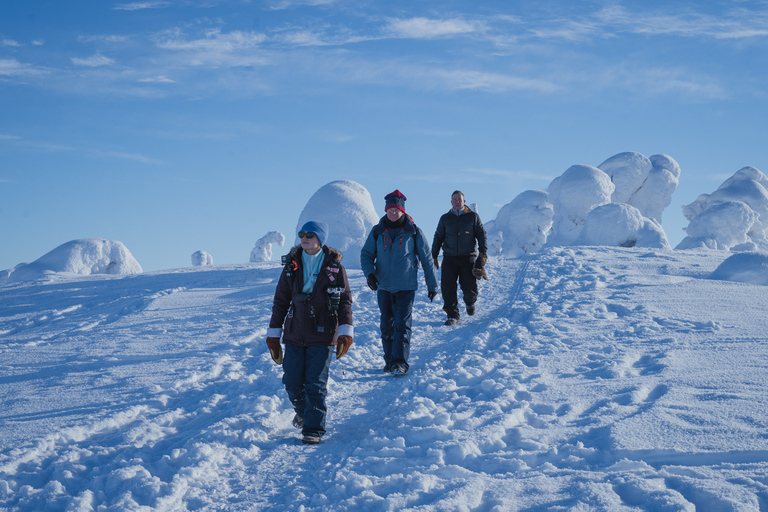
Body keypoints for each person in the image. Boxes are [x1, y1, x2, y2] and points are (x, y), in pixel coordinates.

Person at [266, 220, 354, 445]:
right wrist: (274, 335)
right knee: (292, 381)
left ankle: (313, 429)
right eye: (302, 234)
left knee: (315, 383)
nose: (304, 238)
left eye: (310, 235)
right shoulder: (291, 266)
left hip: (323, 333)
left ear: (320, 240)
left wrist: (345, 332)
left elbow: (344, 302)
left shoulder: (335, 268)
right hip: (294, 331)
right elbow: (281, 301)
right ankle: (305, 413)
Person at [360, 189, 438, 377]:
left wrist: (432, 285)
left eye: (397, 209)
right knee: (387, 325)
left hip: (406, 286)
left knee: (402, 324)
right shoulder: (377, 231)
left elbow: (427, 259)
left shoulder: (413, 231)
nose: (393, 213)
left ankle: (399, 362)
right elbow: (366, 254)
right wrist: (370, 274)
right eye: (390, 210)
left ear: (403, 210)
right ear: (386, 210)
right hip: (384, 286)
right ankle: (389, 360)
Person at [432, 190, 488, 326]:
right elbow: (438, 237)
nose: (457, 202)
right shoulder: (445, 218)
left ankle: (470, 302)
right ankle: (452, 315)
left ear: (464, 201)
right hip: (449, 258)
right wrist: (433, 255)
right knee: (448, 288)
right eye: (455, 199)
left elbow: (481, 235)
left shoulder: (472, 217)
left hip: (467, 258)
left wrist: (482, 255)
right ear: (451, 202)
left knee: (469, 288)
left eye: (460, 199)